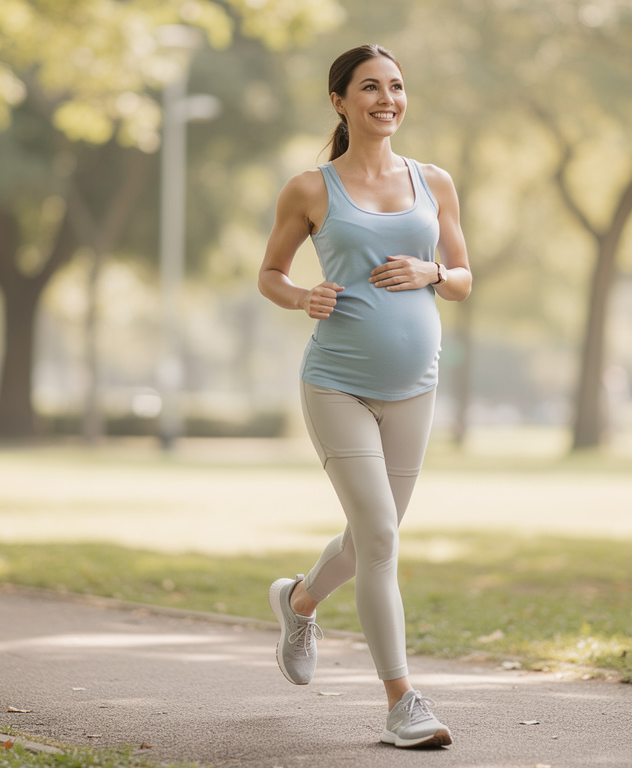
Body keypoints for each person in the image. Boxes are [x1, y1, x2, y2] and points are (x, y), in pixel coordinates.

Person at [257, 43, 471, 749]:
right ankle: (403, 702)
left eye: (397, 87)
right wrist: (300, 297)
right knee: (380, 537)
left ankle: (298, 600)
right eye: (370, 87)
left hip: (415, 387)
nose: (388, 98)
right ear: (340, 101)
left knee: (370, 539)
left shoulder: (434, 182)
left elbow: (466, 276)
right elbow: (271, 273)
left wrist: (432, 271)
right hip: (336, 383)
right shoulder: (311, 189)